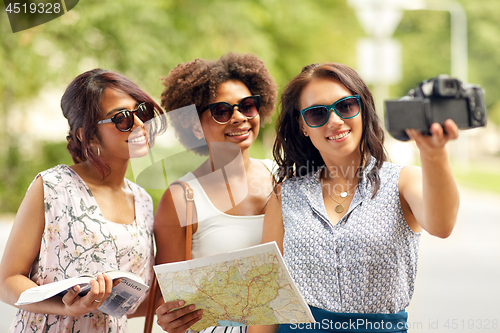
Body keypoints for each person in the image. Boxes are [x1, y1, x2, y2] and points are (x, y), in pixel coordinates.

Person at [250, 62, 460, 333]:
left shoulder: (403, 181)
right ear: (303, 126)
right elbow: (268, 291)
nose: (335, 120)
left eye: (346, 106)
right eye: (316, 113)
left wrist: (433, 152)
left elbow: (442, 224)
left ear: (363, 109)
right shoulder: (285, 194)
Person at [0, 68, 171, 332]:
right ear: (88, 136)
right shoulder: (53, 186)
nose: (139, 124)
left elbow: (133, 305)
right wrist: (65, 306)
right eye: (122, 118)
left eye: (143, 112)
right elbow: (8, 281)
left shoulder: (143, 201)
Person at [153, 52, 278, 333]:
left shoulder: (285, 178)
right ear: (195, 125)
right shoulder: (181, 199)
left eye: (247, 106)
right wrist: (170, 316)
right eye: (221, 111)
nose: (239, 118)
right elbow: (169, 296)